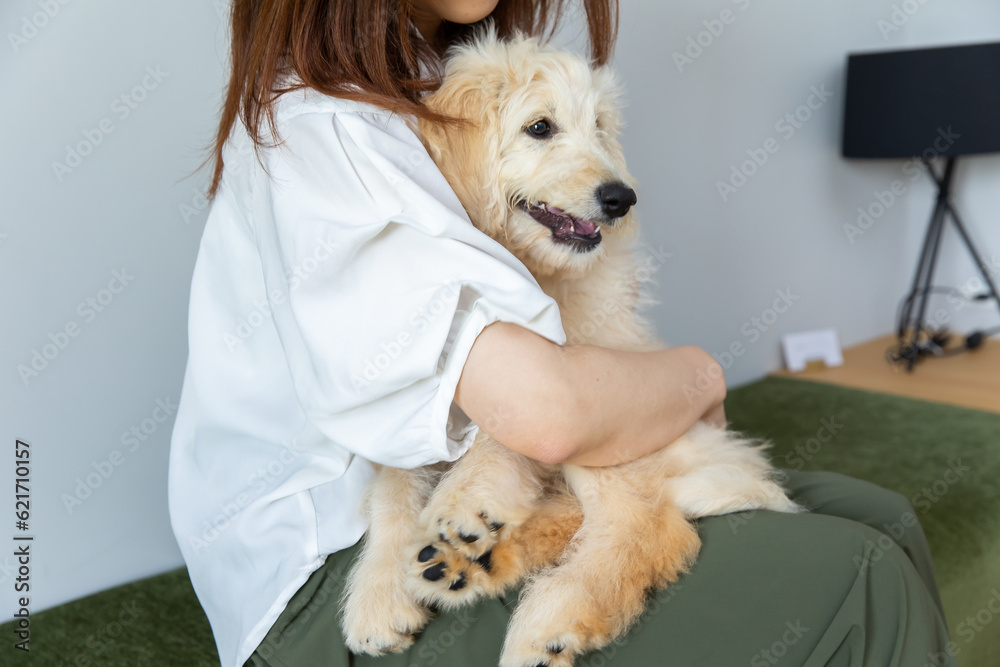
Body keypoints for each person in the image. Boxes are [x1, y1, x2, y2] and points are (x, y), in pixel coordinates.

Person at [167, 1, 957, 666]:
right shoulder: (329, 129)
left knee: (881, 514)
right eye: (542, 128)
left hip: (492, 481)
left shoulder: (415, 90)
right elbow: (548, 411)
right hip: (326, 575)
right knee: (864, 573)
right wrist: (699, 376)